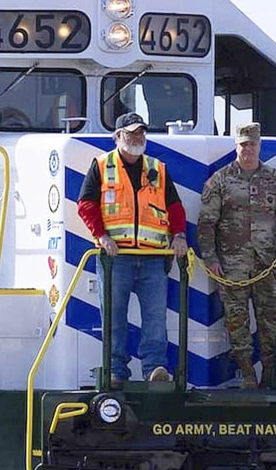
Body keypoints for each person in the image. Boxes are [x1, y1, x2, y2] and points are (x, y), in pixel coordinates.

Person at [77, 112, 189, 384]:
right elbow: (86, 205)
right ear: (117, 137)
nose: (137, 138)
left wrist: (179, 235)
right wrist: (102, 237)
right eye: (131, 133)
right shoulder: (102, 166)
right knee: (114, 317)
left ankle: (155, 369)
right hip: (117, 258)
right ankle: (115, 371)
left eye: (141, 132)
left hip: (153, 257)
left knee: (155, 318)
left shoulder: (157, 168)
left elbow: (174, 207)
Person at [197, 122, 276, 389]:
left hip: (268, 263)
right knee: (237, 321)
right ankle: (246, 373)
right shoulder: (220, 180)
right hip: (232, 266)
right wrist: (210, 258)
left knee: (271, 321)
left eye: (252, 144)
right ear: (237, 146)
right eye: (243, 144)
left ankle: (271, 374)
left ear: (259, 146)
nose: (248, 149)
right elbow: (207, 222)